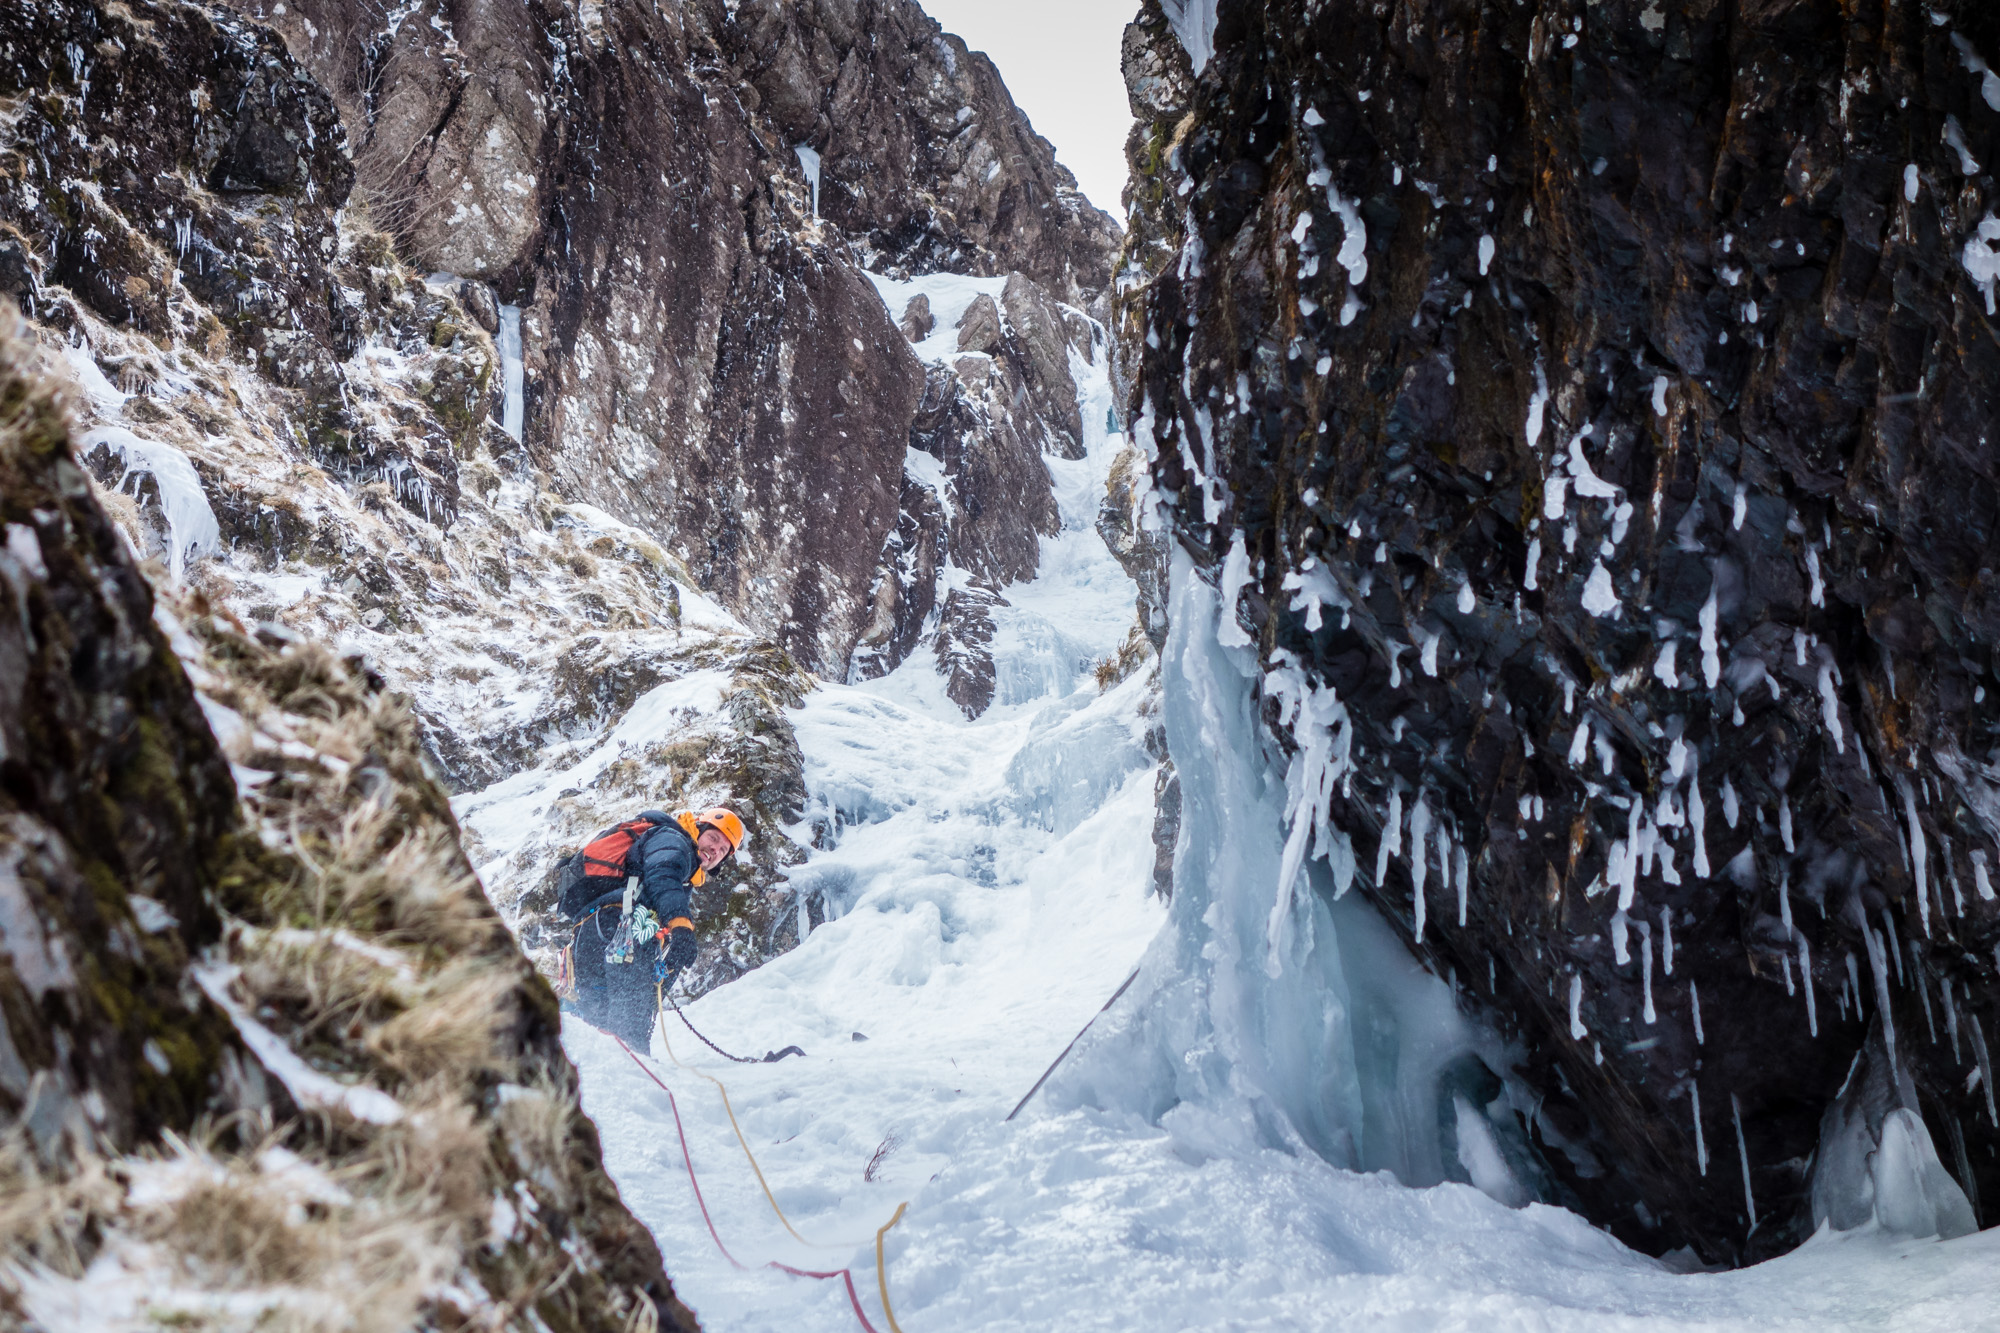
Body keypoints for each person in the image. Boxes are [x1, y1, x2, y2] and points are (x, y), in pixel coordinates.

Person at [559, 807, 745, 1046]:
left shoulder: (676, 852)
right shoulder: (675, 841)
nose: (714, 849)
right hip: (620, 933)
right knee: (629, 1029)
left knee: (596, 1024)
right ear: (698, 830)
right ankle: (635, 1074)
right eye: (713, 838)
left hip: (594, 933)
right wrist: (681, 926)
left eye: (722, 851)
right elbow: (663, 878)